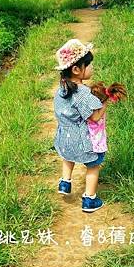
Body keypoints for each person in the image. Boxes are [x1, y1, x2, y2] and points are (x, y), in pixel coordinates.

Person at [53, 39, 109, 213]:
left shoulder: (62, 88)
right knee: (93, 165)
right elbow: (94, 117)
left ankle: (65, 182)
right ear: (76, 69)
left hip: (64, 137)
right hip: (82, 139)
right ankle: (89, 199)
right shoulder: (82, 94)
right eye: (89, 64)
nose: (92, 68)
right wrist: (105, 103)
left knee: (67, 157)